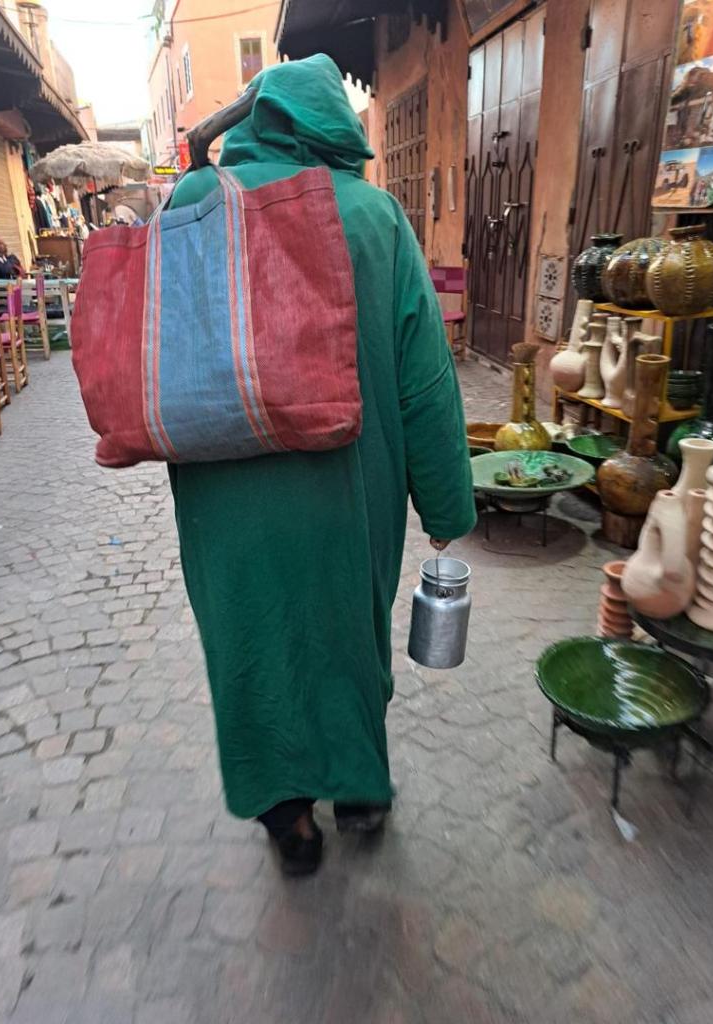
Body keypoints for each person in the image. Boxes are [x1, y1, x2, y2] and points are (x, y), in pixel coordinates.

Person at [168, 54, 475, 876]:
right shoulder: (375, 218)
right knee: (347, 633)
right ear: (338, 132)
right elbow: (424, 381)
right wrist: (447, 506)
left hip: (221, 502)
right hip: (350, 493)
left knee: (251, 641)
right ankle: (360, 791)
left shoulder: (195, 201)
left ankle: (287, 820)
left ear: (260, 123)